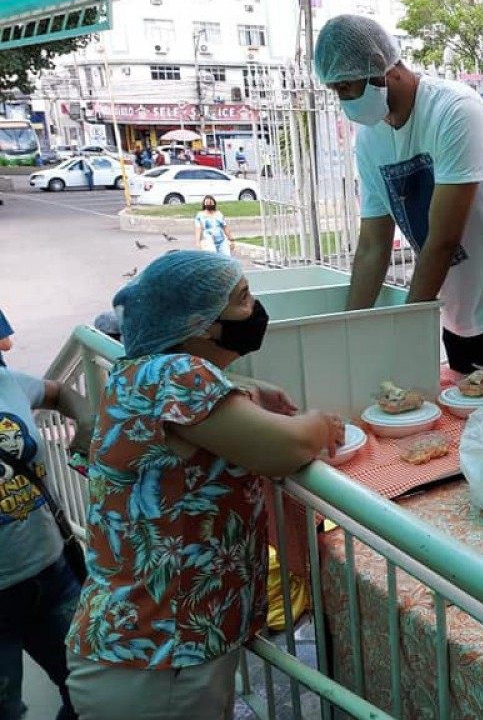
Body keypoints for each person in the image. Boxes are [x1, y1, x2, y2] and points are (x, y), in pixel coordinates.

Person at [65, 251, 344, 720]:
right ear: (200, 325)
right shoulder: (175, 376)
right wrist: (321, 424)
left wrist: (247, 391)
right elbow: (288, 448)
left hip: (147, 652)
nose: (255, 307)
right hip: (158, 664)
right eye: (242, 298)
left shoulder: (139, 373)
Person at [313, 14, 483, 373]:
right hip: (454, 315)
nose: (343, 100)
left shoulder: (454, 110)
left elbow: (443, 240)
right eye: (335, 91)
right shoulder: (370, 138)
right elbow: (372, 245)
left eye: (346, 87)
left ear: (379, 68)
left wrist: (405, 330)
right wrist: (350, 332)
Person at [0, 368, 94, 720]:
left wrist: (87, 421)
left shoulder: (6, 381)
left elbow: (57, 392)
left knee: (89, 691)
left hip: (52, 575)